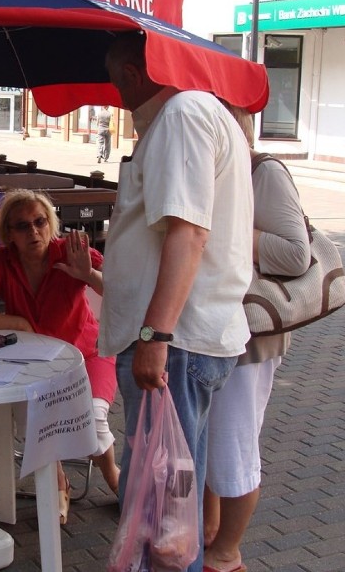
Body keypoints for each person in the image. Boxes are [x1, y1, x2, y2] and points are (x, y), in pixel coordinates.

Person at [100, 32, 254, 572]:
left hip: (178, 345)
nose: (113, 89)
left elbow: (188, 233)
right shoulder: (192, 115)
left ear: (133, 74)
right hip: (186, 345)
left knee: (168, 515)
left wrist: (154, 337)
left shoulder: (182, 117)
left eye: (114, 76)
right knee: (172, 504)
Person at [0, 189, 120, 524]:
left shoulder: (69, 251)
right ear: (9, 234)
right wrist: (17, 323)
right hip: (31, 362)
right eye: (22, 226)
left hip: (86, 354)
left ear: (50, 223)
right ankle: (58, 483)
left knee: (92, 416)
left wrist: (87, 275)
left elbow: (120, 294)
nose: (33, 232)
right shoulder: (1, 261)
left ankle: (113, 476)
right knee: (34, 417)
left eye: (39, 222)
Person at [202, 108, 310, 572]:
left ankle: (227, 554)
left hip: (250, 335)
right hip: (210, 329)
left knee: (234, 447)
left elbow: (295, 254)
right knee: (207, 442)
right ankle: (208, 534)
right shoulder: (218, 171)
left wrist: (231, 232)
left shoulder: (263, 171)